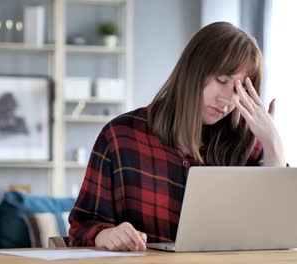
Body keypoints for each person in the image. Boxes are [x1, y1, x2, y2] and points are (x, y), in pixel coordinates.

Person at [68, 22, 285, 251]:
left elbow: (278, 234)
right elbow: (80, 228)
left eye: (238, 90)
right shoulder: (120, 138)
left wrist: (274, 145)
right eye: (222, 81)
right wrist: (105, 235)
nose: (228, 100)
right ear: (193, 70)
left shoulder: (247, 147)